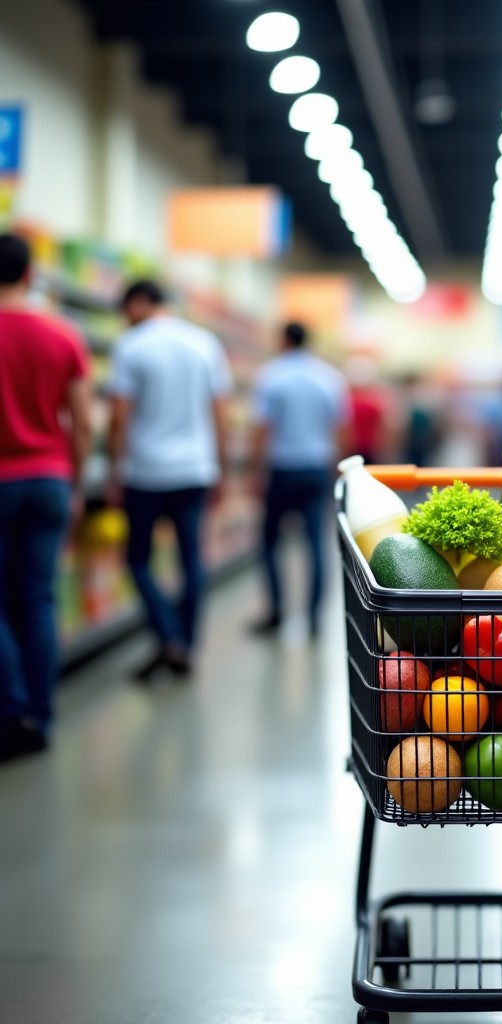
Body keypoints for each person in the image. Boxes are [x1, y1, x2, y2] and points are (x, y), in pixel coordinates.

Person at [107, 280, 232, 680]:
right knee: (191, 559)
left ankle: (168, 636)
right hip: (195, 469)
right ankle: (185, 644)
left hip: (145, 472)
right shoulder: (205, 343)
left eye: (126, 309)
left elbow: (120, 416)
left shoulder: (131, 345)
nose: (125, 318)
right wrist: (221, 468)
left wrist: (115, 469)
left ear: (141, 303)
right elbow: (219, 413)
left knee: (137, 559)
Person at [0, 233, 92, 762]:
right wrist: (75, 483)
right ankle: (42, 710)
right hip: (49, 481)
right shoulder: (63, 335)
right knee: (36, 598)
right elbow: (82, 422)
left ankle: (11, 710)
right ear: (30, 274)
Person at [249, 322, 350, 638]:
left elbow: (263, 429)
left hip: (282, 468)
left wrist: (256, 470)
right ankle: (314, 619)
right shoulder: (329, 378)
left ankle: (276, 613)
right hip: (316, 468)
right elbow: (340, 429)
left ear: (283, 340)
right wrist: (339, 469)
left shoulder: (271, 375)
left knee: (269, 543)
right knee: (315, 545)